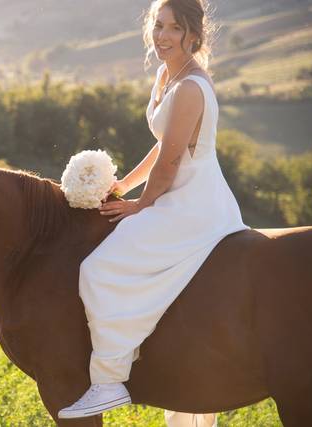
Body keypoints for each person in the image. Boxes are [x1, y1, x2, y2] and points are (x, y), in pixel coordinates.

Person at [58, 0, 249, 419]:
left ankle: (109, 379)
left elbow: (172, 161)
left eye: (174, 29)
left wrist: (140, 205)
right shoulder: (167, 75)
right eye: (158, 25)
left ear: (193, 36)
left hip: (192, 203)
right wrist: (124, 183)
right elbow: (163, 144)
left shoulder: (190, 87)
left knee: (98, 270)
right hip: (176, 193)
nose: (163, 36)